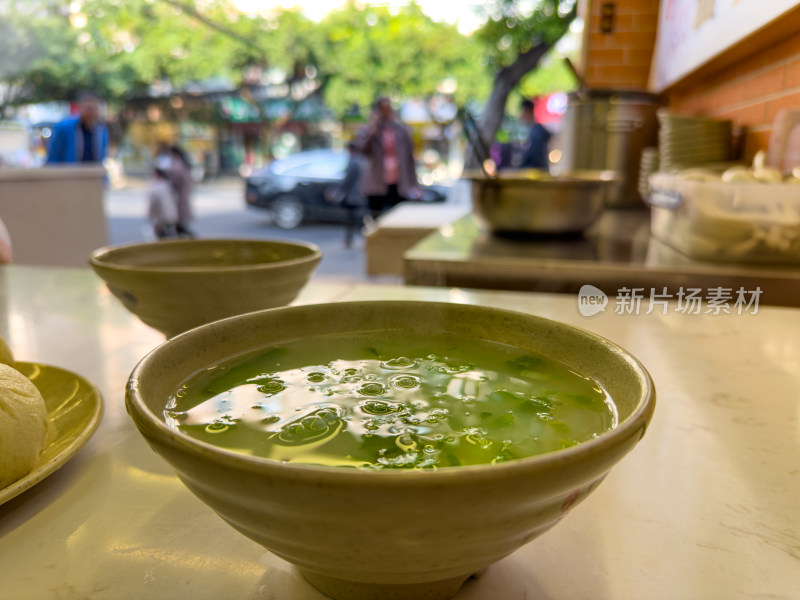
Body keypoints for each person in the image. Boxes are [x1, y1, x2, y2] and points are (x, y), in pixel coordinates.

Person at [354, 97, 421, 222]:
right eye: (382, 109)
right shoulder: (370, 131)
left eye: (388, 109)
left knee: (398, 218)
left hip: (399, 182)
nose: (385, 112)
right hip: (376, 183)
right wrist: (372, 130)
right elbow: (362, 150)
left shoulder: (401, 131)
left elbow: (409, 160)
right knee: (376, 219)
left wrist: (414, 185)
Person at [46, 92, 108, 165]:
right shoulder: (63, 128)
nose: (90, 113)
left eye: (93, 109)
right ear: (80, 108)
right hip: (68, 174)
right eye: (88, 109)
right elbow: (53, 156)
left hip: (93, 174)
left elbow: (101, 158)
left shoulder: (102, 131)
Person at [327, 142, 366, 248]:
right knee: (357, 219)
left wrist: (337, 193)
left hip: (354, 196)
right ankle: (357, 239)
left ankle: (352, 239)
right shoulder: (362, 160)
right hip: (360, 194)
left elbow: (347, 181)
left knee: (352, 219)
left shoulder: (354, 162)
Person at [166, 145, 195, 237]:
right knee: (179, 218)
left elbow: (175, 179)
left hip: (179, 193)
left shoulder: (177, 163)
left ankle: (182, 234)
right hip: (182, 193)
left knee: (177, 217)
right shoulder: (182, 162)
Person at [518, 98, 552, 171]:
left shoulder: (536, 133)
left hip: (537, 177)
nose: (520, 116)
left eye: (521, 112)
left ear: (527, 111)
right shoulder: (535, 131)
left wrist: (520, 170)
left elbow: (535, 160)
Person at [147, 167, 178, 239]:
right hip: (172, 217)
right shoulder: (169, 186)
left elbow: (152, 206)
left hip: (161, 220)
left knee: (161, 240)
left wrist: (150, 218)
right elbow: (176, 200)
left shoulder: (155, 189)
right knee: (171, 236)